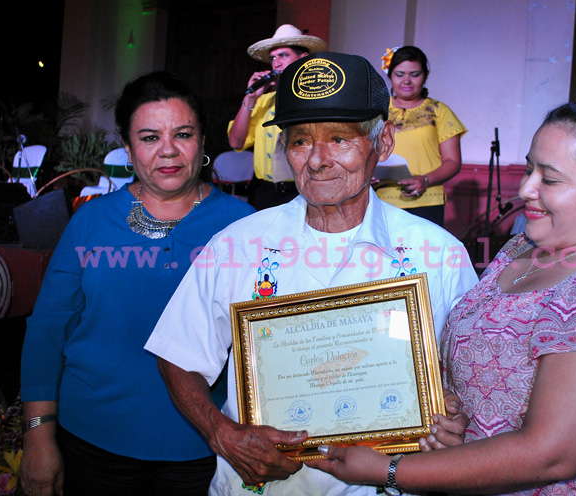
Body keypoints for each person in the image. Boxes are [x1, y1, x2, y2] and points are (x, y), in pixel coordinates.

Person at [308, 99, 576, 495]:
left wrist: (389, 470)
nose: (526, 189)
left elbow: (551, 454)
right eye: (529, 169)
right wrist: (447, 413)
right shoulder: (521, 250)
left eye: (550, 179)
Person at [145, 52, 479, 496]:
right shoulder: (238, 244)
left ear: (382, 143)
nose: (317, 160)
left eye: (339, 138)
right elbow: (178, 352)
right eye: (300, 140)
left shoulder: (438, 254)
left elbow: (470, 380)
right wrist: (221, 433)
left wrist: (455, 416)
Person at [19, 71, 255, 496]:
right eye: (149, 137)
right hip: (91, 442)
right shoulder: (92, 219)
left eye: (182, 133)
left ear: (202, 142)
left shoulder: (244, 224)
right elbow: (47, 331)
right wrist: (38, 435)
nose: (168, 150)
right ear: (128, 149)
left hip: (204, 448)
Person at [227, 24, 327, 210]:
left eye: (283, 55)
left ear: (303, 58)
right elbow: (236, 142)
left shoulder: (316, 99)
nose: (276, 62)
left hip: (302, 189)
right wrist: (249, 100)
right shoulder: (263, 101)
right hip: (264, 190)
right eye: (273, 57)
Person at [374, 46, 467, 227]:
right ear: (390, 76)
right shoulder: (377, 111)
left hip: (426, 200)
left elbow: (452, 161)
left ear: (425, 76)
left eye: (414, 74)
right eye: (399, 74)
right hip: (380, 199)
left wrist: (425, 180)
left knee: (423, 254)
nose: (407, 81)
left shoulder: (439, 111)